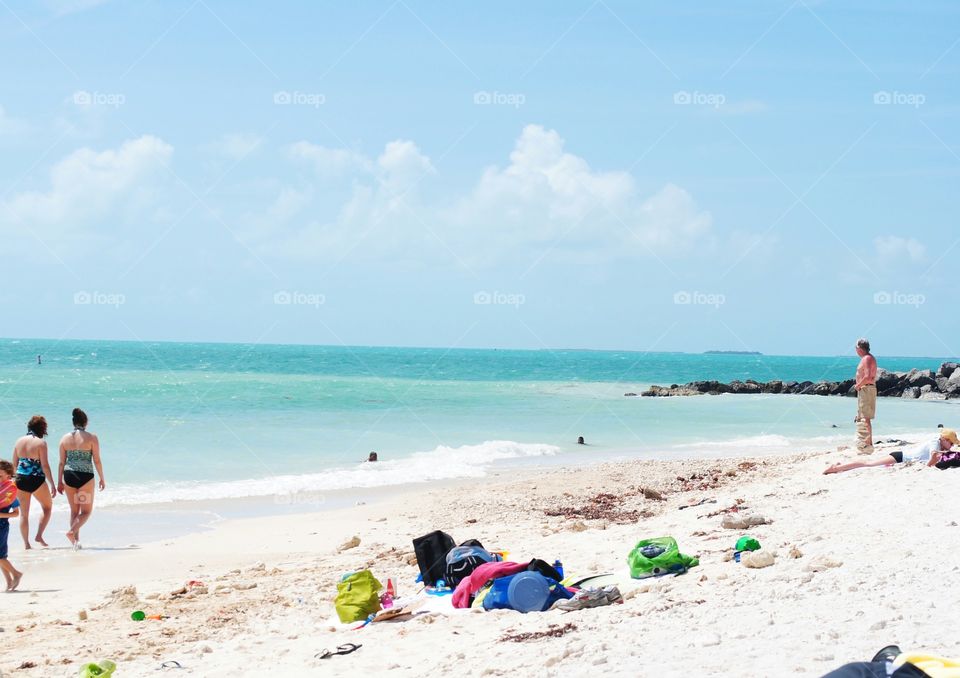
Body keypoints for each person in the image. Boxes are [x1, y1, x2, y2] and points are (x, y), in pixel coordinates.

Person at [57, 408, 104, 549]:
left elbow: (61, 462)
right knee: (86, 512)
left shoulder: (64, 438)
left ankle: (75, 543)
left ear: (73, 422)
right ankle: (71, 533)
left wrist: (59, 481)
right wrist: (102, 478)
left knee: (74, 511)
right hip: (85, 477)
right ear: (86, 422)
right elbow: (96, 460)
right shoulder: (91, 438)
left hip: (69, 476)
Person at [824, 429, 958, 475]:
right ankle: (835, 468)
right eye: (951, 443)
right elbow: (933, 457)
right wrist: (929, 465)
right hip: (900, 457)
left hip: (901, 457)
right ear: (944, 439)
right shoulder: (935, 443)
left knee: (869, 466)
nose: (951, 446)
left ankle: (842, 465)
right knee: (868, 464)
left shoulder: (937, 442)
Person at [12, 415, 56, 549]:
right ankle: (39, 535)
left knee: (24, 515)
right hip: (36, 480)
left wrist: (14, 481)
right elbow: (45, 466)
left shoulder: (18, 441)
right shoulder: (40, 443)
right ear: (42, 428)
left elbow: (14, 463)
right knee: (47, 508)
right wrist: (52, 484)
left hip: (19, 479)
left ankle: (26, 545)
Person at [0, 460, 23, 591]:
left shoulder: (10, 493)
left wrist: (1, 515)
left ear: (9, 476)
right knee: (1, 556)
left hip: (1, 525)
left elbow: (16, 513)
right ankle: (9, 581)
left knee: (0, 556)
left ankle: (16, 574)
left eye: (0, 476)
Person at [854, 338, 878, 454]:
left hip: (866, 388)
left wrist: (858, 385)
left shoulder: (867, 358)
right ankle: (866, 443)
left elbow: (868, 376)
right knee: (863, 416)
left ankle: (867, 445)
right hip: (865, 388)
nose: (855, 350)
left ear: (859, 347)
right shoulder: (866, 358)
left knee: (865, 417)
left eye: (856, 347)